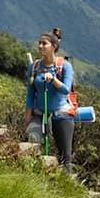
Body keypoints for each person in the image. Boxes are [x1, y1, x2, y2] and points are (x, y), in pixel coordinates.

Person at [24, 29, 75, 174]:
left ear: (53, 46)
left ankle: (67, 183)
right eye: (39, 43)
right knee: (32, 140)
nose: (40, 46)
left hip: (61, 113)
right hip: (40, 112)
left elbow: (66, 90)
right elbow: (30, 92)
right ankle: (34, 175)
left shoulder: (65, 66)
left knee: (65, 154)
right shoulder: (34, 67)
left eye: (44, 44)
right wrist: (27, 116)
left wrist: (53, 79)